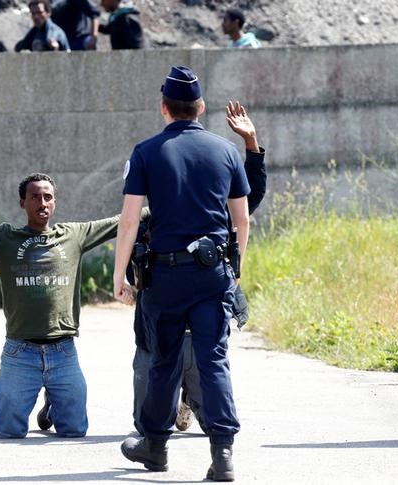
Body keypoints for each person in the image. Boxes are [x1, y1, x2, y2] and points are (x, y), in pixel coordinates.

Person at [114, 66, 250, 481]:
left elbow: (130, 221)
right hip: (212, 276)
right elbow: (241, 221)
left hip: (166, 278)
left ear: (164, 108)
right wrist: (233, 271)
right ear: (201, 107)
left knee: (163, 362)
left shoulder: (146, 152)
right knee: (213, 361)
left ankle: (155, 447)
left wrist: (120, 275)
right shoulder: (226, 151)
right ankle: (222, 454)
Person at [0, 173, 146, 439]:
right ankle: (37, 394)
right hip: (20, 351)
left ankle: (53, 404)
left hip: (63, 351)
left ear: (54, 202)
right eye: (35, 196)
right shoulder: (5, 238)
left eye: (48, 197)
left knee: (74, 430)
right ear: (22, 203)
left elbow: (123, 220)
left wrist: (167, 204)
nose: (42, 202)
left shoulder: (74, 236)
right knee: (9, 431)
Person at [131, 100, 267, 435]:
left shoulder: (213, 220)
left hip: (201, 326)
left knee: (208, 378)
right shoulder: (153, 225)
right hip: (159, 330)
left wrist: (251, 146)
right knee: (146, 410)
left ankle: (189, 406)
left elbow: (247, 203)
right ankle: (161, 429)